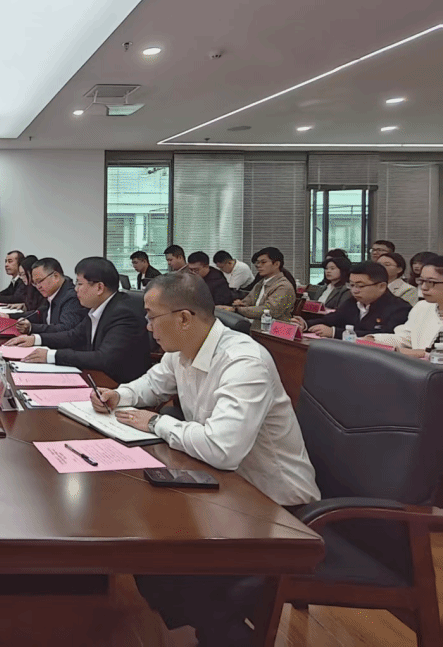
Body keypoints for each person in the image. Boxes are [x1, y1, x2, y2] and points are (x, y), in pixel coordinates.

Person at [90, 272, 319, 647]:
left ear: (183, 317)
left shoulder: (244, 361)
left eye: (152, 316)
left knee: (161, 553)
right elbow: (151, 384)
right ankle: (212, 622)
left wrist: (157, 422)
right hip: (222, 484)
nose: (147, 326)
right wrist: (120, 395)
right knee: (142, 535)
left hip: (272, 502)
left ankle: (224, 630)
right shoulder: (182, 350)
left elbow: (222, 449)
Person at [4, 257, 151, 384]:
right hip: (98, 379)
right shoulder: (97, 308)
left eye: (79, 284)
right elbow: (73, 335)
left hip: (118, 387)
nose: (75, 289)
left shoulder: (123, 313)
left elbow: (103, 357)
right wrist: (35, 339)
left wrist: (51, 355)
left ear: (99, 288)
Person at [297, 261, 411, 338]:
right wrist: (305, 324)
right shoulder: (353, 302)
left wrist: (335, 333)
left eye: (360, 286)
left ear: (381, 286)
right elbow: (332, 319)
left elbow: (382, 336)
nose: (355, 291)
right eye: (351, 285)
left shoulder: (400, 308)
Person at [370, 255, 443, 358]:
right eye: (421, 281)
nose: (423, 287)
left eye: (430, 282)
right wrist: (373, 339)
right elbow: (405, 338)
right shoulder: (422, 307)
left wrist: (422, 354)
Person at [217, 247, 296, 320]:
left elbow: (269, 311)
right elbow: (247, 302)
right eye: (257, 263)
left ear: (276, 264)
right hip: (256, 323)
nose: (258, 265)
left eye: (263, 262)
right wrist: (238, 304)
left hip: (274, 327)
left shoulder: (283, 286)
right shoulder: (260, 283)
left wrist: (237, 309)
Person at [12, 257, 85, 337]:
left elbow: (65, 328)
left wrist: (32, 328)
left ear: (56, 276)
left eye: (40, 281)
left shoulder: (71, 297)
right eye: (35, 283)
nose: (38, 287)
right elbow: (38, 314)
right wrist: (10, 316)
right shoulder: (51, 293)